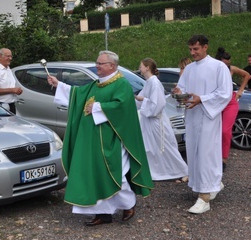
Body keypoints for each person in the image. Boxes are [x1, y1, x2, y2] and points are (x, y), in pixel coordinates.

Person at [47, 50, 153, 226]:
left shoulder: (122, 85)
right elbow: (78, 93)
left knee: (114, 174)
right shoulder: (97, 84)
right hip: (93, 139)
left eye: (100, 63)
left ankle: (128, 204)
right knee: (95, 174)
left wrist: (97, 107)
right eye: (97, 63)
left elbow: (122, 107)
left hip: (112, 139)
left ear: (112, 65)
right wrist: (59, 84)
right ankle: (102, 214)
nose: (97, 66)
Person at [173, 35, 232, 214]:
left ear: (205, 47)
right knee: (194, 153)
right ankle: (212, 183)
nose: (193, 53)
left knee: (206, 154)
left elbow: (225, 93)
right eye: (190, 50)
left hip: (208, 117)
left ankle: (204, 197)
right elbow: (182, 87)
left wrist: (203, 99)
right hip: (192, 116)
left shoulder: (218, 67)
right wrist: (178, 91)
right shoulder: (189, 68)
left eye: (196, 49)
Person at [135, 58, 188, 182]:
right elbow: (140, 99)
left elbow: (159, 103)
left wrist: (143, 100)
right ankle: (158, 171)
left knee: (166, 147)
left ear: (147, 67)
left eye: (141, 66)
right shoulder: (148, 82)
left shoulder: (154, 83)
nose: (139, 68)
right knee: (151, 147)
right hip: (148, 120)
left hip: (156, 120)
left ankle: (183, 171)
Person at [215, 47, 250, 170]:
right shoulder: (213, 69)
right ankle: (213, 157)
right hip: (216, 103)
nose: (227, 66)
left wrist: (241, 90)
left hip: (230, 102)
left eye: (228, 64)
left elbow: (247, 75)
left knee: (225, 131)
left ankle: (223, 159)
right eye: (225, 63)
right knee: (214, 131)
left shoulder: (231, 69)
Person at [0, 48, 22, 114]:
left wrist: (17, 91)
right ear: (0, 56)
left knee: (12, 124)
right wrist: (12, 90)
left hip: (11, 105)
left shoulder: (8, 70)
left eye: (11, 56)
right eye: (8, 56)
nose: (10, 58)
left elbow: (9, 86)